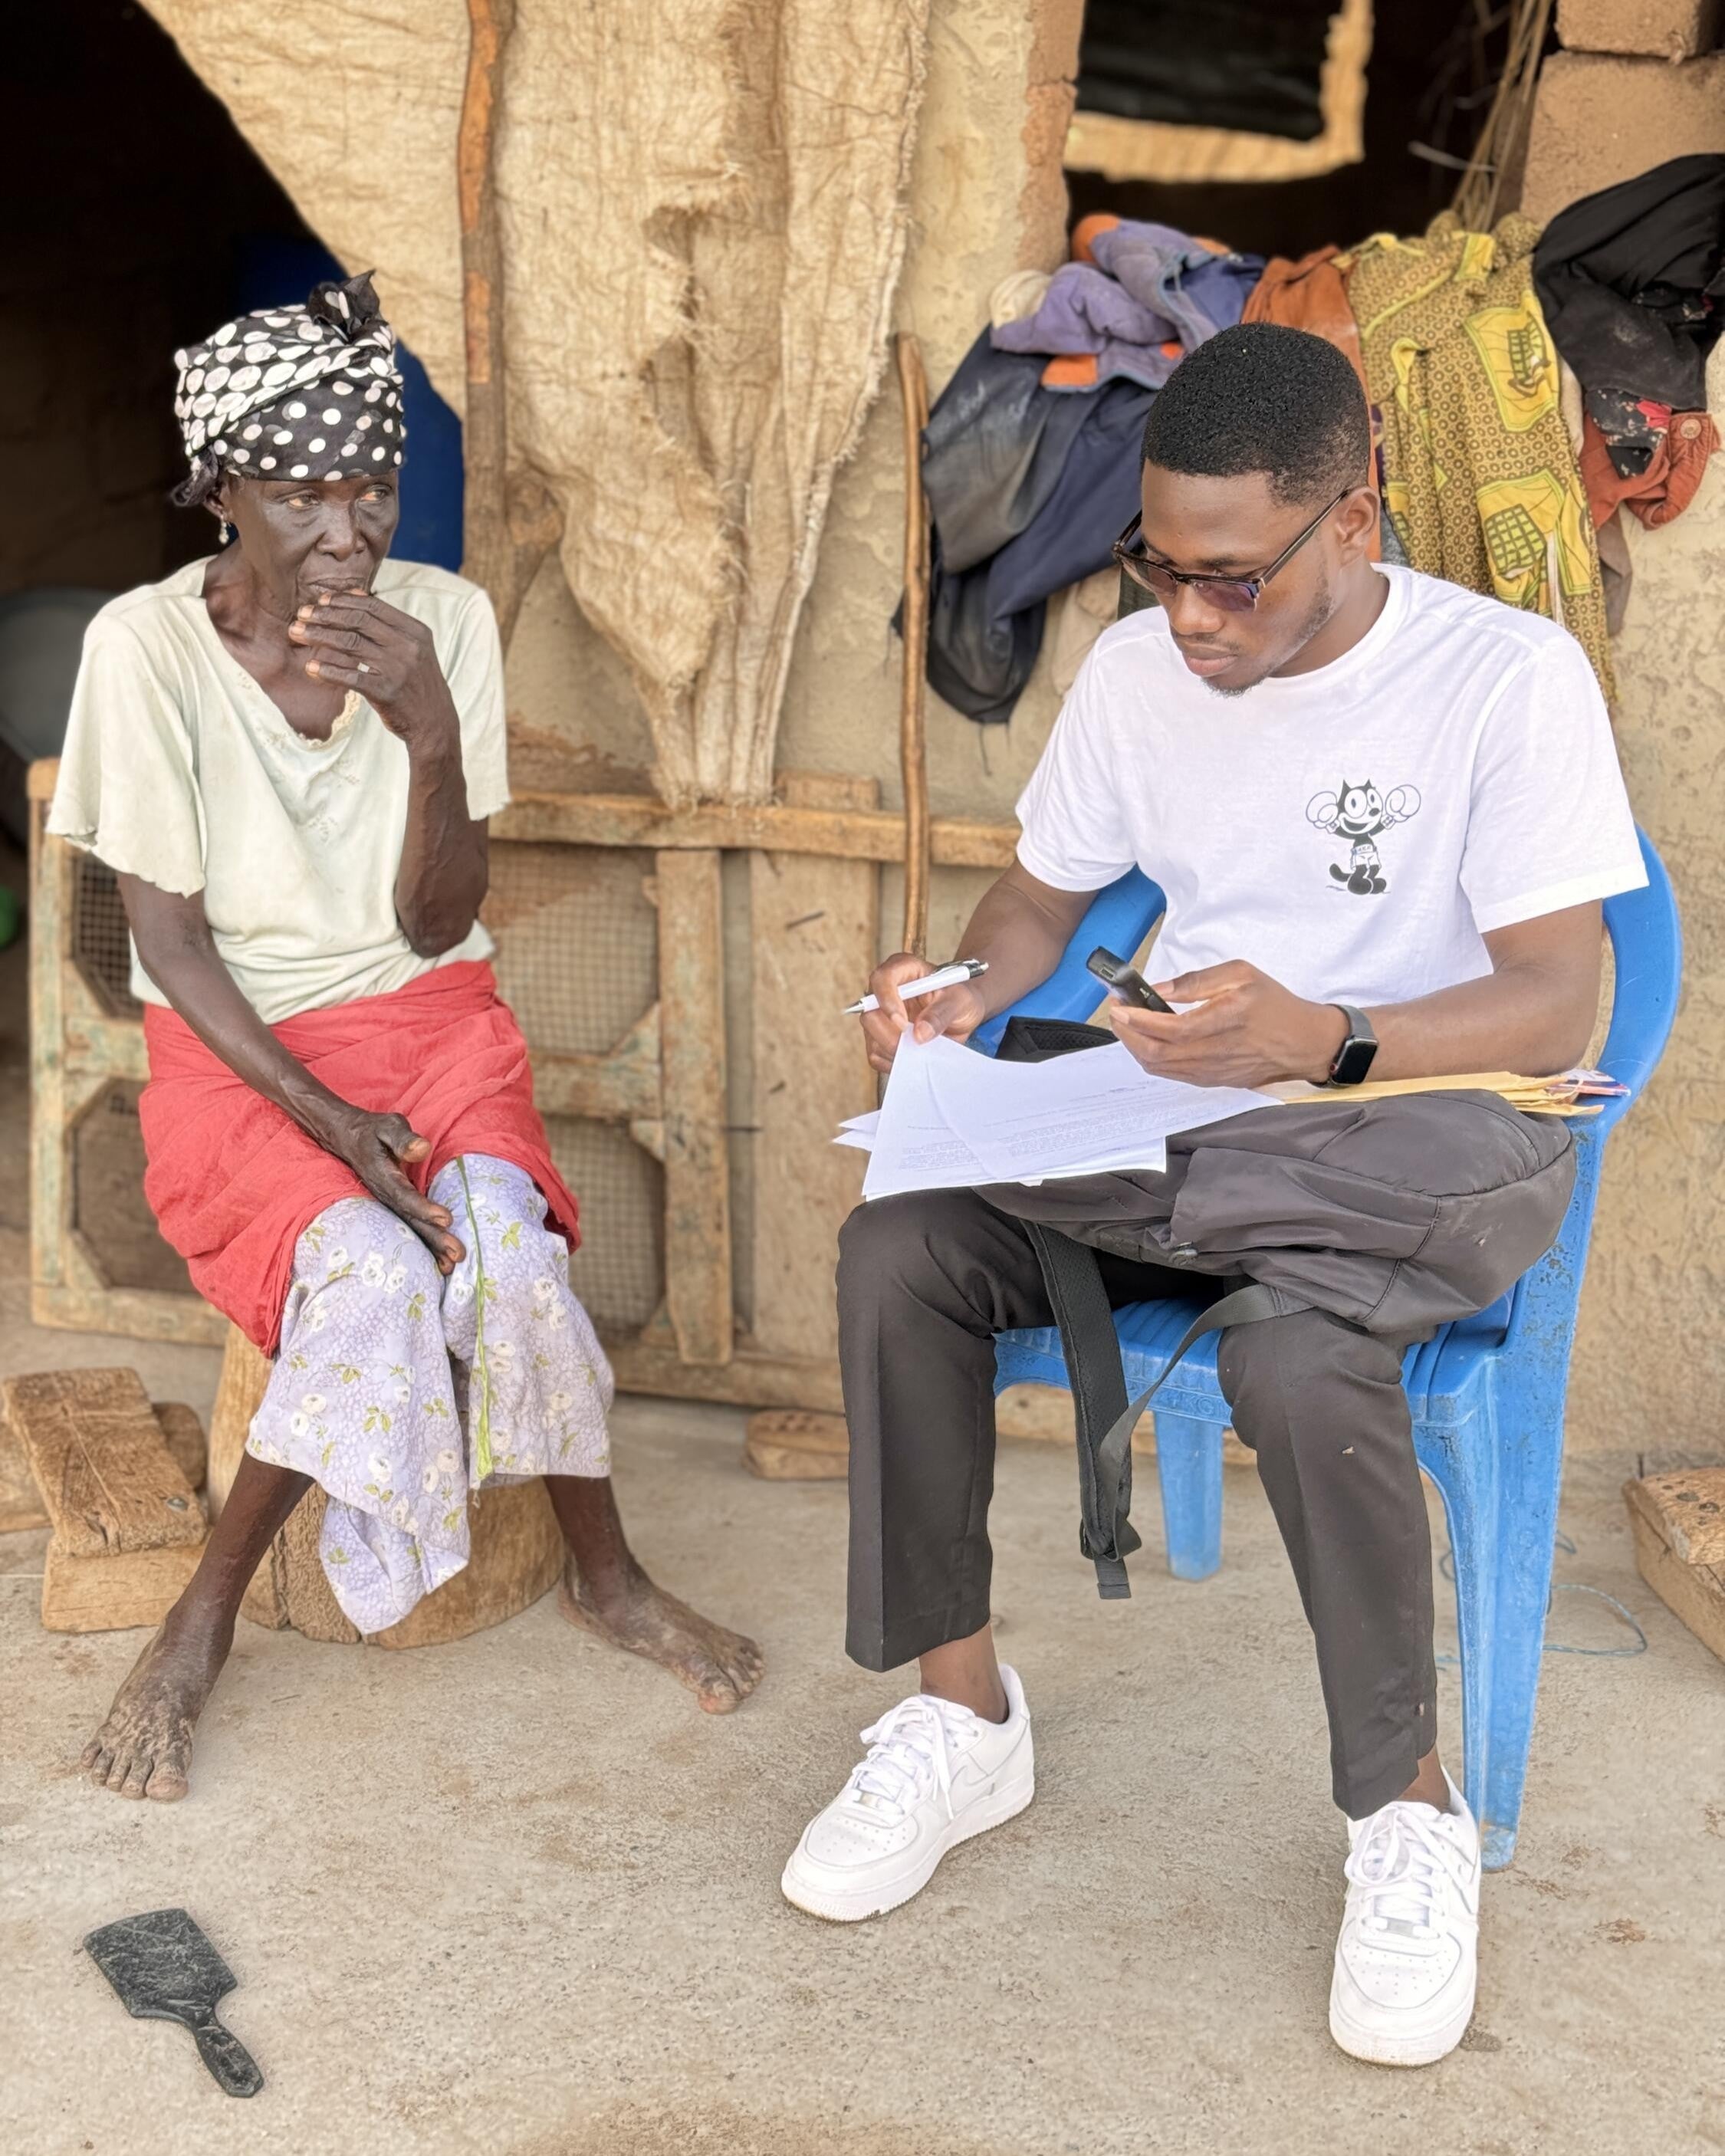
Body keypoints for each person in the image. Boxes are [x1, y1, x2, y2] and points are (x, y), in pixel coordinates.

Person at [780, 324, 1646, 2067]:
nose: (1191, 618)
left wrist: (1324, 1040)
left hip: (1423, 1122)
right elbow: (1040, 905)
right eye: (1161, 570)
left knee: (1291, 1325)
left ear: (1353, 520)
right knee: (905, 1247)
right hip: (1202, 1138)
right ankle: (964, 1717)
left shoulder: (1505, 678)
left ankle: (1404, 1812)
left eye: (1234, 580)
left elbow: (1563, 1002)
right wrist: (957, 991)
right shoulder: (1135, 675)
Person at [51, 274, 762, 1804]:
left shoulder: (444, 625)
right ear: (222, 491)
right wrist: (327, 1120)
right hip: (241, 1054)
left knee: (510, 1249)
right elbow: (170, 947)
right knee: (374, 1275)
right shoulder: (144, 649)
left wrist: (430, 730)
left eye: (370, 485)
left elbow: (439, 928)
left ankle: (610, 1577)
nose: (349, 530)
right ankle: (200, 1623)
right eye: (303, 493)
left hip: (431, 1025)